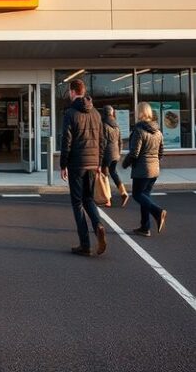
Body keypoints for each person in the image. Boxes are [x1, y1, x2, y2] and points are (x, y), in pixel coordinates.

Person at [60, 79, 108, 257]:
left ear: (73, 92)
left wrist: (63, 164)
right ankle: (98, 226)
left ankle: (85, 244)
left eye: (69, 91)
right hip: (92, 164)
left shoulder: (70, 113)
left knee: (77, 202)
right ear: (84, 90)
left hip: (76, 164)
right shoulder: (96, 113)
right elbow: (102, 141)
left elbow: (66, 142)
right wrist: (99, 164)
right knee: (88, 199)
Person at [122, 101, 167, 237]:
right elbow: (161, 152)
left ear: (140, 113)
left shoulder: (139, 130)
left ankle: (158, 212)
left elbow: (135, 153)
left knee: (137, 195)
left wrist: (125, 163)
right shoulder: (158, 131)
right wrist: (154, 162)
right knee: (145, 197)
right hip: (154, 170)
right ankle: (145, 227)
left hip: (142, 170)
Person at [101, 105, 130, 207]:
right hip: (115, 153)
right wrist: (119, 153)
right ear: (112, 113)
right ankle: (123, 192)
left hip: (106, 154)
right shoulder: (116, 124)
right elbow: (120, 141)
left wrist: (100, 156)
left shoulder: (104, 125)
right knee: (113, 172)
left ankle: (107, 199)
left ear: (104, 113)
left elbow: (103, 143)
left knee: (104, 176)